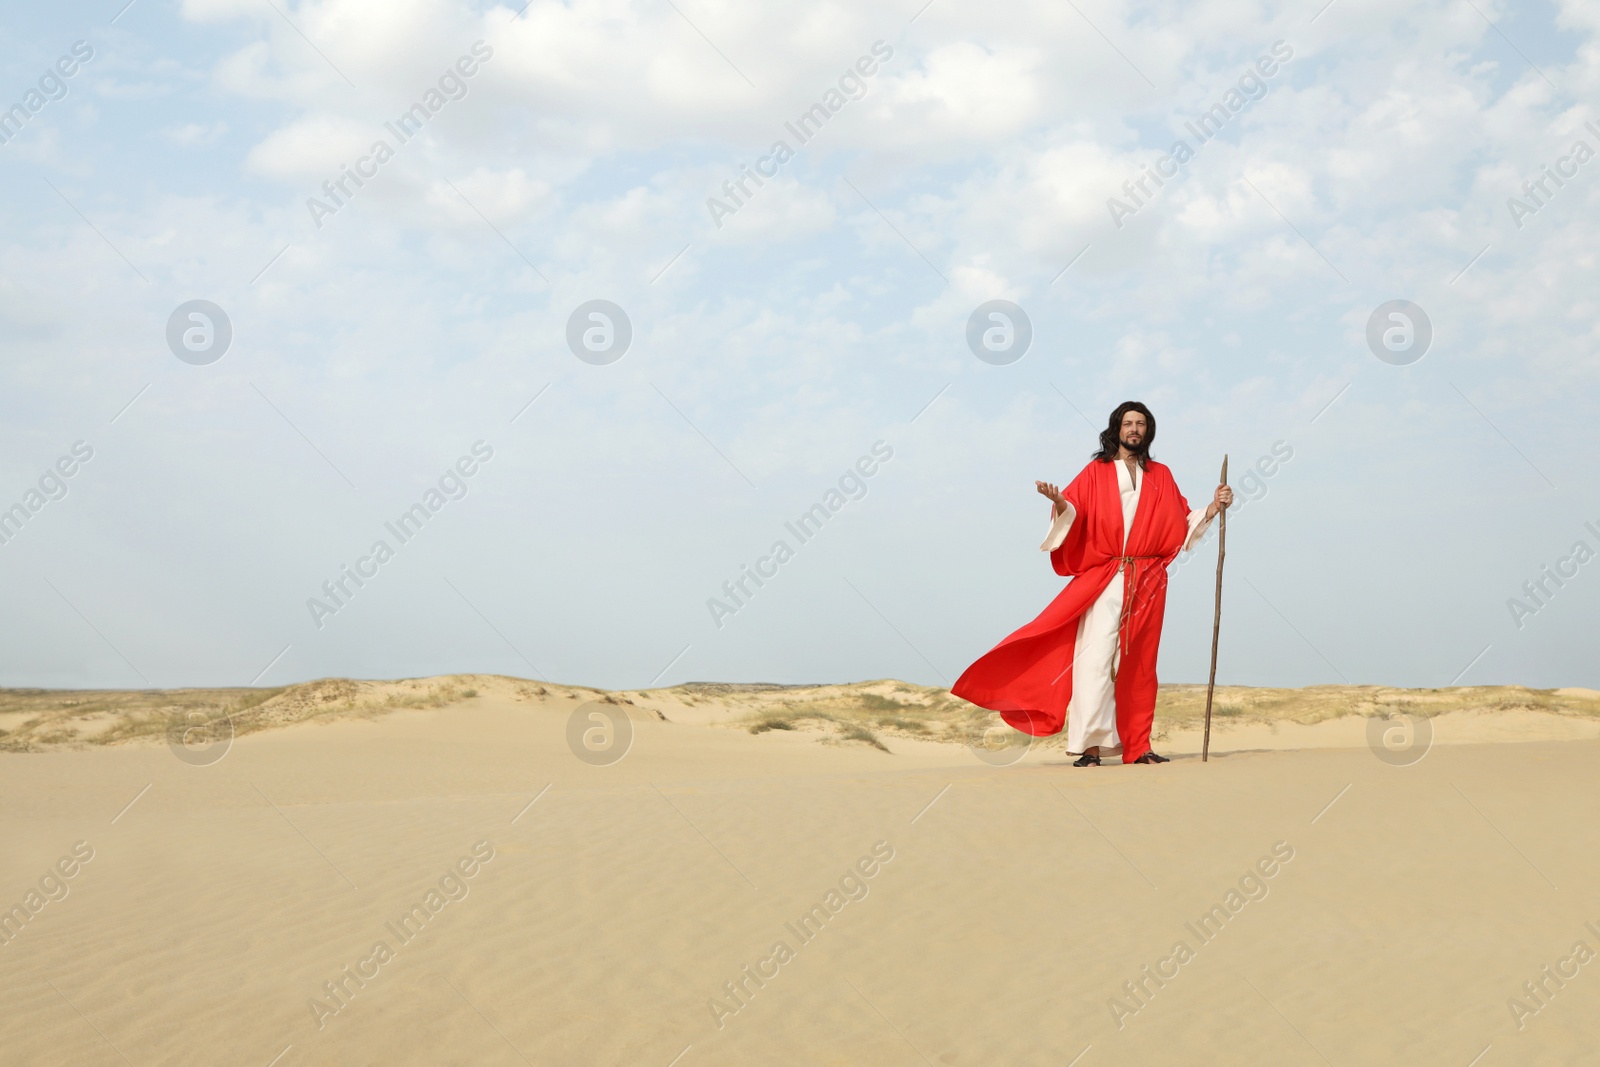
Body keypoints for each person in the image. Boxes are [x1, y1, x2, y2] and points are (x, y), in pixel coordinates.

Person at [952, 401, 1232, 766]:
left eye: (1141, 424)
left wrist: (1213, 507)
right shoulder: (1095, 471)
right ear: (1117, 428)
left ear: (1148, 431)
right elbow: (1074, 510)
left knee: (1141, 663)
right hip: (1108, 575)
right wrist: (1058, 502)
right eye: (1128, 423)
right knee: (1095, 660)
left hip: (1147, 579)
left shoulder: (1161, 474)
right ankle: (1090, 747)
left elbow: (1180, 518)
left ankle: (1138, 746)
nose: (1134, 429)